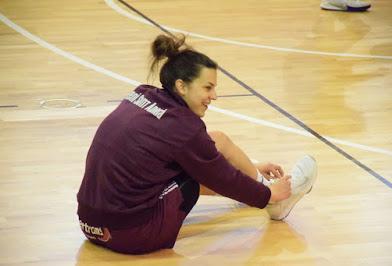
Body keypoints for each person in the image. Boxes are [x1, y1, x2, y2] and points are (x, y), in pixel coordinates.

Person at [76, 34, 317, 254]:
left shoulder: (142, 94)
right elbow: (220, 177)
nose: (214, 96)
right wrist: (267, 195)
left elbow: (209, 153)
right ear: (181, 86)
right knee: (195, 175)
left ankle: (258, 184)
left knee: (216, 141)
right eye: (207, 87)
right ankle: (276, 203)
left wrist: (251, 168)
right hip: (130, 235)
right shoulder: (183, 128)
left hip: (89, 224)